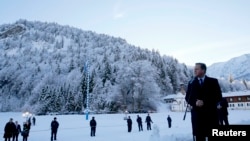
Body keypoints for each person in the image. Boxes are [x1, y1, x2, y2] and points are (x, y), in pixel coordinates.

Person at [185, 63, 222, 141]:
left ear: (203, 70)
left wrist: (204, 102)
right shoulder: (191, 82)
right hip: (197, 116)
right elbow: (187, 97)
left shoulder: (213, 81)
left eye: (197, 69)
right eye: (194, 69)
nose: (194, 71)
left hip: (211, 115)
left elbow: (218, 97)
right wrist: (195, 102)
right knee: (199, 137)